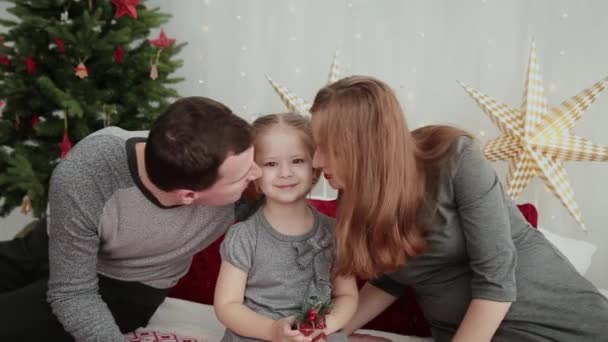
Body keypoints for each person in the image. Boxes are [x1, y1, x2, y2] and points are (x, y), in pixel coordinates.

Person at [308, 76, 608, 342]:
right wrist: (333, 337)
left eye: (326, 147)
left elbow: (497, 281)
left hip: (554, 322)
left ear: (364, 145)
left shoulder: (454, 157)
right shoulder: (355, 196)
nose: (316, 162)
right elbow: (391, 280)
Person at [0, 97, 262, 341]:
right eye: (242, 175)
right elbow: (71, 290)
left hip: (126, 289)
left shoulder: (250, 185)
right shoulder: (89, 171)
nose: (258, 171)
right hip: (52, 248)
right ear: (188, 195)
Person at [214, 113, 358, 342]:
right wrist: (272, 331)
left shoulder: (335, 231)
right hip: (257, 335)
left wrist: (322, 327)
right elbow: (227, 305)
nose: (285, 173)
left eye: (297, 161)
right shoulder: (244, 235)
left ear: (315, 167)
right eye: (271, 163)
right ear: (254, 174)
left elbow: (346, 295)